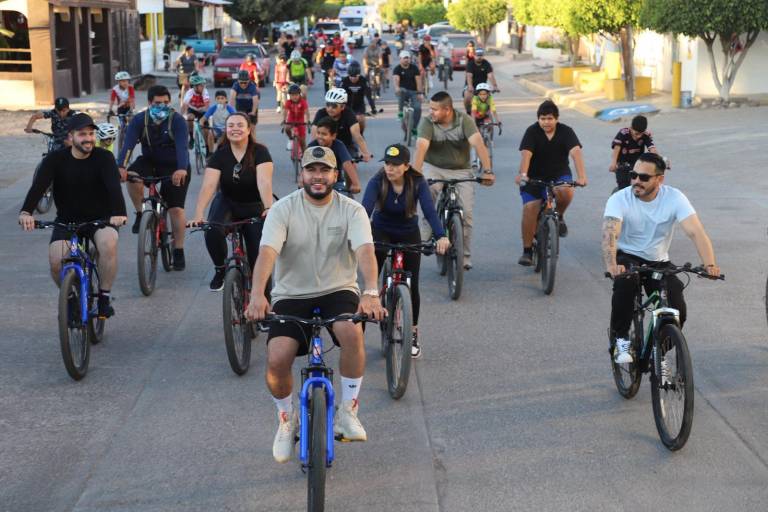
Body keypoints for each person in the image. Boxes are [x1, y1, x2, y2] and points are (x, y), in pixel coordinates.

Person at [244, 146, 386, 463]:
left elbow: (365, 250)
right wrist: (257, 294)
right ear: (302, 175)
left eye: (325, 171)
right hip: (292, 294)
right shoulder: (284, 209)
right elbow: (266, 253)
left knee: (352, 334)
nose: (318, 177)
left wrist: (371, 291)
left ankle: (347, 410)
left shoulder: (352, 210)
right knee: (277, 356)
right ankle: (286, 418)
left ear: (336, 175)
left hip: (338, 289)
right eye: (312, 170)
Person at [602, 152, 720, 364]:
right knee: (625, 285)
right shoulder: (619, 198)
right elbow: (611, 233)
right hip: (627, 255)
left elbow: (696, 232)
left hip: (658, 260)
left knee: (677, 310)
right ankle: (620, 340)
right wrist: (612, 265)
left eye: (644, 177)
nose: (636, 181)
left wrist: (709, 264)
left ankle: (658, 353)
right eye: (633, 175)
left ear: (659, 179)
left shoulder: (674, 198)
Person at [18, 113, 127, 317]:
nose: (88, 138)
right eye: (82, 134)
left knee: (108, 244)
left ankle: (103, 297)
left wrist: (119, 213)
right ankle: (69, 298)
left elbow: (114, 188)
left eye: (91, 134)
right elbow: (38, 187)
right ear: (71, 136)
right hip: (67, 221)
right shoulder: (55, 159)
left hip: (101, 219)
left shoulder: (104, 157)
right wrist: (26, 212)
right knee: (56, 260)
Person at [362, 143, 449, 358]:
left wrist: (441, 236)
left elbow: (429, 211)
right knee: (370, 282)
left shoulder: (417, 182)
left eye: (395, 165)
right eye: (388, 164)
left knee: (413, 285)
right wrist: (360, 238)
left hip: (409, 232)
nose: (390, 169)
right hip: (381, 231)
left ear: (407, 166)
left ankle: (413, 333)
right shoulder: (378, 180)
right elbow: (364, 210)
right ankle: (359, 330)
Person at [189, 112, 274, 291]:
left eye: (240, 125)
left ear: (249, 129)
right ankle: (220, 270)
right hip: (227, 202)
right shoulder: (220, 154)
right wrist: (198, 213)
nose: (235, 129)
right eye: (231, 125)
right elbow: (209, 186)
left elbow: (264, 182)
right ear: (226, 130)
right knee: (212, 229)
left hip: (253, 206)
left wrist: (268, 207)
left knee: (259, 258)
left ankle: (265, 306)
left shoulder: (260, 151)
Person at [413, 91, 494, 270]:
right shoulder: (427, 122)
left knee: (466, 212)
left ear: (447, 110)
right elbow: (421, 148)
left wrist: (488, 171)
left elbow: (479, 144)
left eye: (434, 109)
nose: (430, 112)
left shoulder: (464, 120)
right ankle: (427, 229)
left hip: (461, 171)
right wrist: (415, 175)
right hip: (434, 167)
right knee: (429, 191)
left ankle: (464, 255)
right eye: (430, 108)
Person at [117, 85, 191, 270]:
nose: (163, 106)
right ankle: (140, 213)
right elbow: (128, 145)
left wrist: (181, 169)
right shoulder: (139, 120)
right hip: (150, 161)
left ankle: (179, 250)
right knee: (133, 176)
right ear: (149, 103)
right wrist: (121, 166)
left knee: (176, 209)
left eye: (166, 102)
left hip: (175, 166)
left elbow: (183, 147)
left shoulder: (178, 121)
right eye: (158, 103)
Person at [515, 100, 587, 266]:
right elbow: (526, 155)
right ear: (538, 119)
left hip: (558, 174)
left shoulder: (566, 131)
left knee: (566, 191)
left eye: (549, 118)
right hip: (534, 176)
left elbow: (576, 153)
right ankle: (527, 251)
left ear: (556, 119)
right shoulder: (532, 131)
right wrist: (523, 174)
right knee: (530, 208)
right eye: (542, 118)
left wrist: (582, 176)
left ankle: (559, 216)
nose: (546, 122)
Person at [310, 88, 373, 162]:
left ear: (342, 107)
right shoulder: (321, 113)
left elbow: (357, 135)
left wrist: (365, 153)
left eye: (334, 106)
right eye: (328, 105)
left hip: (346, 145)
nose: (330, 108)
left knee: (351, 164)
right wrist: (314, 150)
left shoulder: (349, 114)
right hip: (326, 144)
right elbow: (314, 133)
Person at [308, 116, 361, 194]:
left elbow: (347, 164)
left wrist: (356, 184)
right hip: (316, 183)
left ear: (333, 136)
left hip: (336, 183)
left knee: (344, 201)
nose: (320, 137)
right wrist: (301, 181)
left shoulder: (338, 145)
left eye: (324, 134)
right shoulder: (312, 147)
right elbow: (305, 167)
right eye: (318, 133)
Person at [610, 115, 657, 190]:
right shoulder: (623, 133)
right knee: (623, 186)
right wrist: (613, 163)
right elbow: (617, 147)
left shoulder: (645, 135)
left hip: (636, 165)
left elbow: (652, 149)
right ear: (631, 128)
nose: (638, 136)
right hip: (622, 164)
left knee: (637, 185)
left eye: (641, 134)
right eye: (636, 133)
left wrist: (658, 161)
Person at [392, 50, 423, 138]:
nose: (406, 60)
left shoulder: (414, 68)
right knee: (401, 91)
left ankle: (414, 129)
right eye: (404, 58)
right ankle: (400, 112)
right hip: (402, 91)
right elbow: (396, 80)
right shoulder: (397, 69)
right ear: (400, 59)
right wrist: (397, 88)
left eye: (408, 58)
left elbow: (418, 81)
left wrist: (420, 93)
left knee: (418, 108)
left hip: (414, 92)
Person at [341, 61, 376, 136]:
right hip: (347, 105)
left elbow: (369, 96)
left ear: (359, 75)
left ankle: (361, 134)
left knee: (360, 119)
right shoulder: (344, 81)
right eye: (351, 76)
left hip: (359, 105)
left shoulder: (363, 81)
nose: (353, 79)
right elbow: (339, 95)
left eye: (355, 77)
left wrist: (373, 108)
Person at [464, 48, 499, 114]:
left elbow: (490, 75)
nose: (479, 57)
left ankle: (486, 113)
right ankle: (468, 112)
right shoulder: (470, 64)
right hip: (471, 85)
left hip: (482, 86)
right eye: (478, 55)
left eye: (481, 55)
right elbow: (469, 76)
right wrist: (470, 86)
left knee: (487, 99)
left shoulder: (487, 64)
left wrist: (495, 86)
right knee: (467, 97)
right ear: (474, 56)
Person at [281, 84, 310, 162]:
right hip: (291, 119)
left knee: (303, 142)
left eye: (296, 95)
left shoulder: (303, 102)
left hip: (300, 120)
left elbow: (307, 112)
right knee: (287, 128)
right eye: (292, 95)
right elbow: (285, 112)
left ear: (299, 94)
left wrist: (308, 120)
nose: (295, 97)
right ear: (289, 96)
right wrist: (284, 120)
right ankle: (291, 138)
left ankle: (306, 159)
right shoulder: (288, 102)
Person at [181, 75, 211, 148]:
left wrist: (207, 116)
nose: (203, 87)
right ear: (195, 86)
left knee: (206, 129)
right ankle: (191, 138)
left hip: (203, 110)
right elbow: (184, 105)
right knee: (189, 118)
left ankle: (207, 147)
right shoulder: (190, 92)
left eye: (203, 85)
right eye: (201, 85)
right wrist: (182, 115)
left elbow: (207, 105)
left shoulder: (205, 91)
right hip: (193, 110)